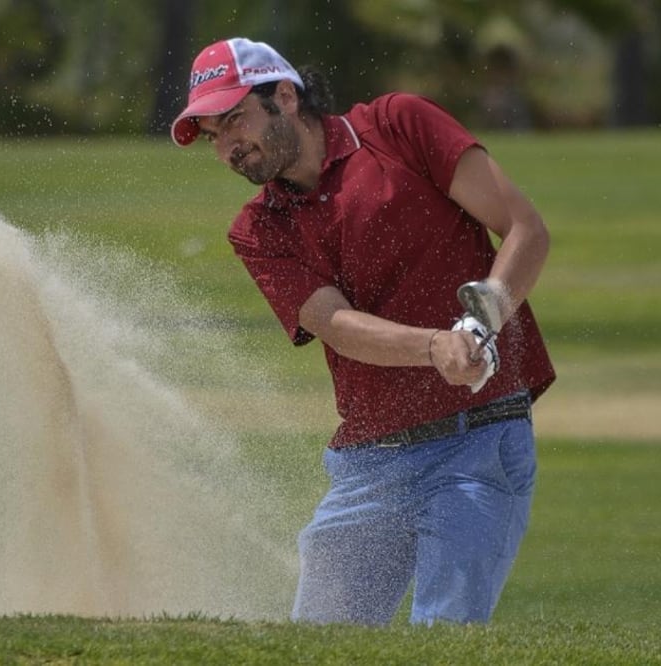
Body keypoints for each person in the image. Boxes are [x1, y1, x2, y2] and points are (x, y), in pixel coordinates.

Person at [170, 37, 555, 626]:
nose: (227, 148)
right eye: (213, 137)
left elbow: (525, 230)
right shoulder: (258, 229)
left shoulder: (398, 126)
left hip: (478, 440)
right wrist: (435, 346)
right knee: (318, 649)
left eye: (235, 121)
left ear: (285, 97)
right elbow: (337, 325)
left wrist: (483, 322)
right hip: (368, 467)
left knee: (444, 642)